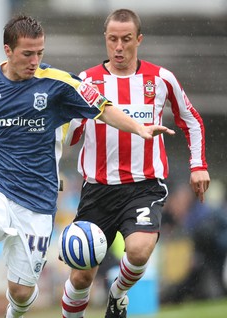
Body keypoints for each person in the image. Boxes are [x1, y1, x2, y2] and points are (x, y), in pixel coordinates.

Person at [0, 14, 174, 318]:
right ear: (7, 50)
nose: (35, 61)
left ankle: (15, 311)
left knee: (21, 295)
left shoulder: (59, 84)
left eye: (40, 53)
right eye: (27, 54)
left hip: (36, 200)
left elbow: (103, 109)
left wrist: (138, 128)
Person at [61, 9, 211, 318]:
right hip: (97, 190)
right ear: (105, 39)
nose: (118, 47)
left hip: (143, 186)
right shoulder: (87, 81)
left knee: (140, 250)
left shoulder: (160, 78)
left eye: (126, 39)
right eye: (113, 39)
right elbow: (70, 133)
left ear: (138, 40)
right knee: (81, 276)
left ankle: (117, 294)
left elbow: (192, 120)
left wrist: (198, 165)